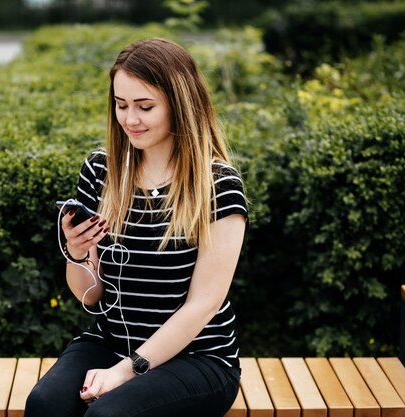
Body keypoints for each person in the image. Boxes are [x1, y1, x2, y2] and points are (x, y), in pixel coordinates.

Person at [25, 38, 248, 417]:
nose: (130, 119)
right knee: (45, 405)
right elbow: (90, 297)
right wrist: (77, 253)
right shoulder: (101, 170)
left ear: (180, 106)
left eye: (145, 107)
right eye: (121, 105)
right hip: (111, 341)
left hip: (198, 358)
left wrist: (127, 371)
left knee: (109, 415)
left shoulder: (218, 186)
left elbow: (203, 305)